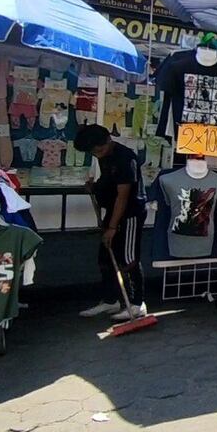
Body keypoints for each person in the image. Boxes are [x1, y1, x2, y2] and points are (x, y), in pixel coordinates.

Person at [74, 124, 148, 320]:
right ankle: (110, 300)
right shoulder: (103, 155)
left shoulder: (126, 158)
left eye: (99, 150)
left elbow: (123, 196)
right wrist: (95, 187)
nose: (97, 155)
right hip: (113, 211)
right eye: (93, 153)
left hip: (130, 213)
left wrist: (113, 227)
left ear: (108, 140)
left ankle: (136, 303)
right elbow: (108, 182)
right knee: (106, 258)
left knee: (128, 258)